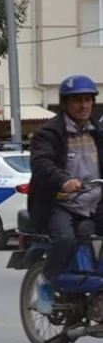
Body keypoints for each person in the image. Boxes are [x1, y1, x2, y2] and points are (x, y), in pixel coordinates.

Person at [28, 74, 103, 313]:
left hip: (95, 201)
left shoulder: (97, 131)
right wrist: (64, 181)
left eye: (87, 100)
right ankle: (46, 283)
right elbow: (42, 163)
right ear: (64, 103)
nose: (83, 105)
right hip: (59, 203)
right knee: (65, 240)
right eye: (77, 100)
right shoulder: (48, 133)